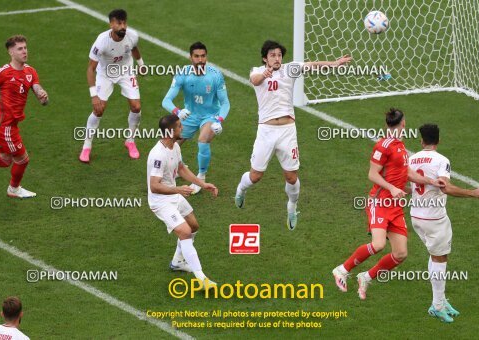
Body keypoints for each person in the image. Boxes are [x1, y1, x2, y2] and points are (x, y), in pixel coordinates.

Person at [234, 40, 352, 230]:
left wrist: (334, 64)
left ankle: (292, 206)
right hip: (266, 131)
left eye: (279, 55)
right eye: (272, 55)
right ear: (265, 58)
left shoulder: (290, 70)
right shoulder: (257, 71)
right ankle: (241, 189)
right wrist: (266, 73)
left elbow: (312, 66)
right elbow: (254, 81)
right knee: (255, 176)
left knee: (291, 177)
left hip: (287, 131)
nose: (277, 58)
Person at [332, 108, 446, 299]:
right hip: (379, 202)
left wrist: (430, 182)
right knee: (378, 245)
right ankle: (342, 270)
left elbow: (407, 174)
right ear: (403, 123)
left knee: (400, 253)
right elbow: (372, 174)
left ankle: (366, 277)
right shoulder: (383, 146)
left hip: (394, 207)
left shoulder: (400, 146)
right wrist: (392, 188)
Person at [409, 123, 479, 323]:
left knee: (434, 255)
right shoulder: (442, 160)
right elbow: (445, 188)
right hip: (435, 219)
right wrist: (473, 193)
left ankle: (441, 301)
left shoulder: (411, 158)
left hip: (416, 216)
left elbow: (406, 185)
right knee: (440, 259)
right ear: (439, 140)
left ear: (421, 140)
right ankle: (436, 307)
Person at [148, 114, 218, 289]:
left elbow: (181, 168)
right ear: (170, 131)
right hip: (161, 201)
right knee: (185, 232)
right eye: (179, 126)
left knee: (193, 225)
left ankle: (177, 262)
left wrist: (202, 184)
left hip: (173, 195)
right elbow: (154, 186)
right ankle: (202, 279)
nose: (183, 129)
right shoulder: (158, 155)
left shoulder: (175, 147)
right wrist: (178, 189)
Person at [162, 41, 230, 194]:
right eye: (197, 56)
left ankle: (201, 177)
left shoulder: (215, 75)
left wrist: (219, 120)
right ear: (190, 57)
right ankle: (180, 168)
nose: (200, 60)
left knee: (203, 139)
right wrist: (177, 112)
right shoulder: (182, 74)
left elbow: (225, 103)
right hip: (190, 115)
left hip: (210, 115)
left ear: (206, 57)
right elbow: (166, 100)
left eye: (203, 56)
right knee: (169, 142)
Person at [79, 9, 145, 163]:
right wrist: (93, 95)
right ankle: (86, 146)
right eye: (119, 23)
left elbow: (134, 48)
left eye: (124, 23)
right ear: (111, 24)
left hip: (126, 72)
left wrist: (141, 64)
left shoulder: (132, 35)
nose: (123, 26)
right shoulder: (101, 41)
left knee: (136, 107)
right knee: (99, 109)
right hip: (105, 74)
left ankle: (130, 141)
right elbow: (90, 69)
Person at [0, 35, 48, 198]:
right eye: (20, 49)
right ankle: (14, 189)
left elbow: (39, 93)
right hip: (4, 126)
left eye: (25, 48)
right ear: (11, 52)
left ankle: (14, 189)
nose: (24, 51)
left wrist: (43, 96)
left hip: (9, 125)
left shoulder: (30, 71)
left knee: (5, 160)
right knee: (22, 159)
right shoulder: (2, 73)